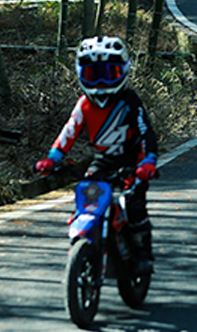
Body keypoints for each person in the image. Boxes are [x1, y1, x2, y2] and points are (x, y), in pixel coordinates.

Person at [36, 36, 158, 274]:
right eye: (94, 75)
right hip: (105, 160)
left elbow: (146, 132)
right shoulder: (84, 104)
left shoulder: (130, 101)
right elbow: (69, 132)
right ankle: (90, 244)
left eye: (109, 74)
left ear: (123, 71)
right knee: (88, 195)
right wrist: (53, 158)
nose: (101, 83)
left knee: (134, 206)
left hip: (134, 160)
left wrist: (149, 160)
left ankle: (142, 253)